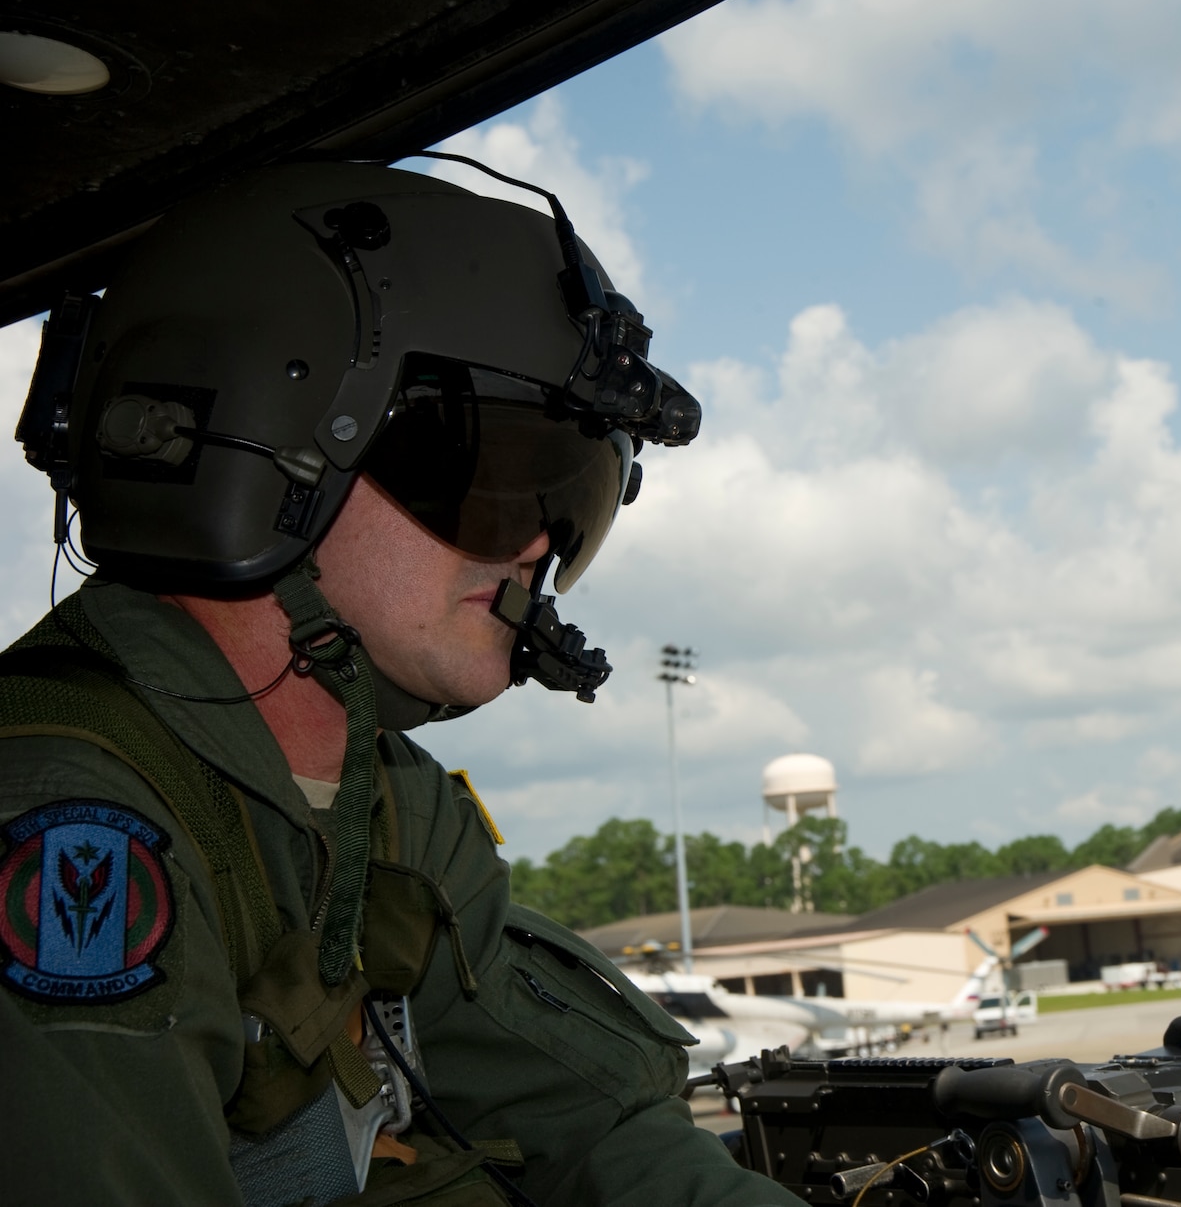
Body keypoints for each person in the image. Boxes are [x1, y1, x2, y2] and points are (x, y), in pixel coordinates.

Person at [0, 162, 789, 1206]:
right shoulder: (66, 828)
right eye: (493, 472)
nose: (541, 545)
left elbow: (593, 1120)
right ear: (258, 448)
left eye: (574, 494)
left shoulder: (390, 803)